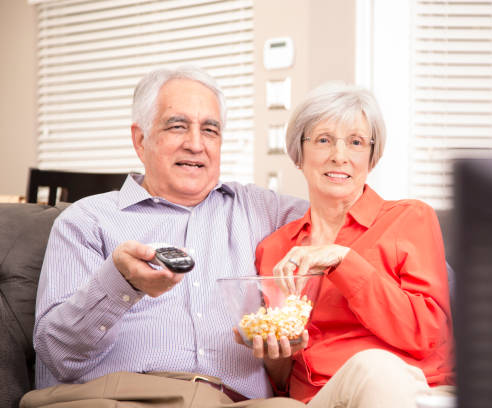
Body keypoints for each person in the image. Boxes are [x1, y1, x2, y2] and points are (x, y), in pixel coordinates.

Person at [21, 66, 309, 408]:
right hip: (124, 397)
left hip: (233, 401)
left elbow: (345, 216)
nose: (196, 144)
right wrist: (121, 283)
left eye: (210, 130)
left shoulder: (260, 210)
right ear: (140, 140)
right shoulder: (87, 220)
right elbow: (58, 356)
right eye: (177, 126)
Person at [241, 82, 455, 408]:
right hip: (317, 400)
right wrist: (273, 353)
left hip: (404, 386)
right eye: (324, 140)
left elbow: (427, 335)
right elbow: (283, 379)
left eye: (355, 142)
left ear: (372, 157)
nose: (339, 156)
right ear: (299, 154)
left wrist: (343, 260)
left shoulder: (410, 218)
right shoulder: (275, 248)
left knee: (375, 368)